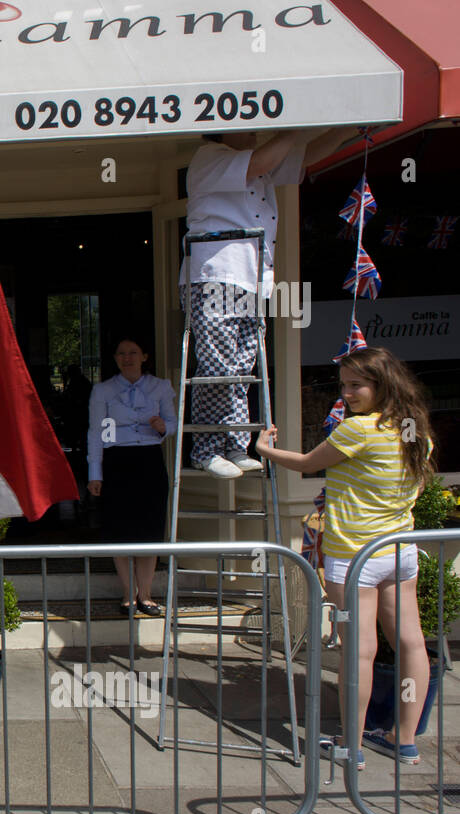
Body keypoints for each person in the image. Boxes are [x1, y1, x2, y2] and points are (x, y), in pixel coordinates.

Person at [257, 348, 432, 768]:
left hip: (354, 553)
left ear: (382, 384)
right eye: (344, 384)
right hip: (398, 550)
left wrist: (264, 448)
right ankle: (404, 739)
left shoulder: (359, 430)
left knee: (359, 650)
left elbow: (304, 464)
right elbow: (417, 484)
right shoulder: (414, 429)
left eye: (356, 384)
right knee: (411, 644)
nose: (348, 393)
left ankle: (350, 746)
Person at [181, 127, 352, 479]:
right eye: (251, 128)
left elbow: (304, 156)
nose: (257, 134)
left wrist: (345, 127)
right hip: (216, 273)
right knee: (218, 365)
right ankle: (206, 450)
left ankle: (233, 444)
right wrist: (293, 124)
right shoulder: (210, 159)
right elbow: (261, 161)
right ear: (226, 130)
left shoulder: (251, 161)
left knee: (242, 366)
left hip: (251, 278)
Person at [87, 338, 177, 615]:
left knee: (149, 530)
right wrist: (95, 473)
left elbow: (173, 423)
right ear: (115, 358)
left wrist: (164, 427)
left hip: (149, 460)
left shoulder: (160, 386)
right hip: (117, 461)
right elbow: (96, 433)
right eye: (122, 353)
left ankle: (146, 595)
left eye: (133, 353)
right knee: (121, 530)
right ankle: (128, 594)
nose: (128, 358)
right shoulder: (103, 390)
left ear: (144, 356)